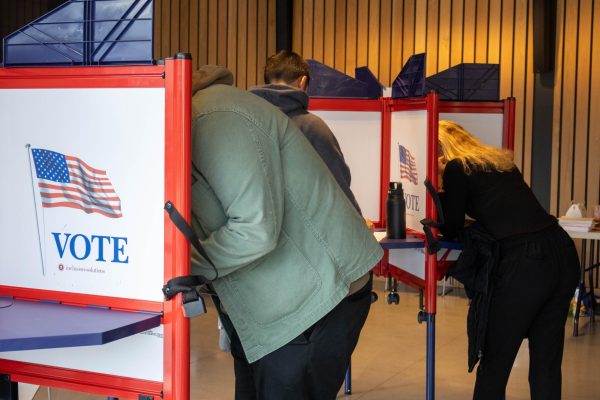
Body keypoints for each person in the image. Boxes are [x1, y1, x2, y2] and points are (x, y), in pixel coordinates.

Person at [189, 64, 383, 400]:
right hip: (265, 303)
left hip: (310, 299)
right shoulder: (191, 120)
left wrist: (182, 267)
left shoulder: (213, 115)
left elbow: (255, 229)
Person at [437, 120, 579, 400]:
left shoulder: (456, 169)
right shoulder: (500, 163)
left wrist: (444, 196)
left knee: (495, 362)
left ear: (442, 150)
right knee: (546, 363)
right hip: (561, 250)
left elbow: (451, 226)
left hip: (526, 264)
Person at [248, 50, 363, 216]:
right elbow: (339, 188)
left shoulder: (245, 121)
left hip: (253, 232)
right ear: (303, 82)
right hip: (305, 234)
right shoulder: (312, 127)